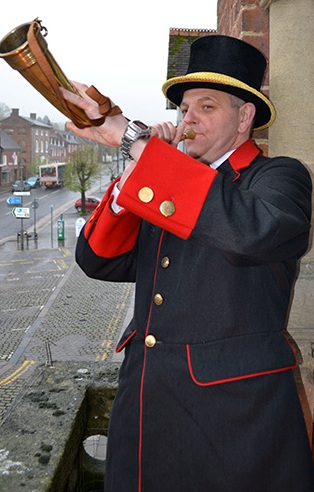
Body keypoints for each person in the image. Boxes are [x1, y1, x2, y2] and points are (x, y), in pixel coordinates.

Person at [60, 35, 314, 491]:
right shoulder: (168, 182)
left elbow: (249, 233)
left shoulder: (280, 177)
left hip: (236, 423)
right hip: (148, 406)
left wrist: (140, 147)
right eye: (183, 109)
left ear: (245, 117)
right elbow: (99, 261)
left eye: (206, 107)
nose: (187, 120)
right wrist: (139, 172)